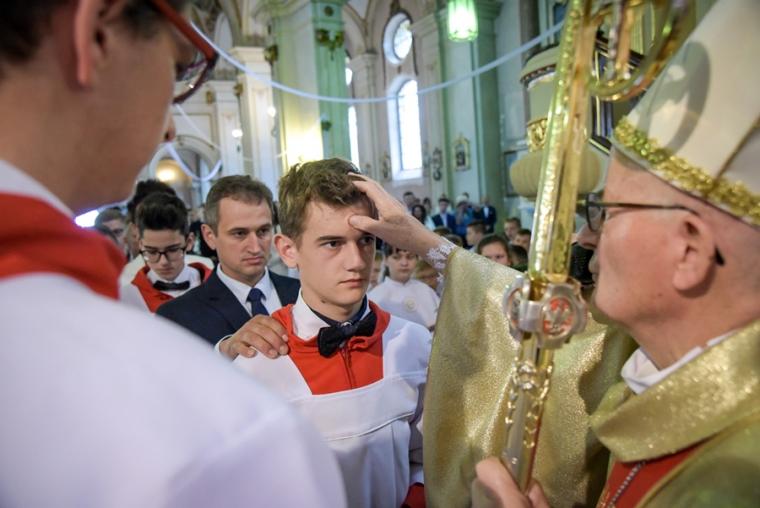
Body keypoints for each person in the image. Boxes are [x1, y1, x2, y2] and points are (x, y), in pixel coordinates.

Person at [0, 1, 344, 506]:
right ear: (95, 35)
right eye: (179, 67)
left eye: (263, 231)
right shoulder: (230, 446)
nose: (170, 131)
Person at [474, 2, 760, 506]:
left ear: (689, 249)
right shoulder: (656, 399)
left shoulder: (735, 477)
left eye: (607, 211)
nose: (586, 236)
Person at [231, 159, 430, 508]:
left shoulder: (412, 343)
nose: (357, 261)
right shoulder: (257, 365)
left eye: (365, 240)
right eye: (332, 243)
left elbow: (428, 457)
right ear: (288, 250)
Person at [157, 175, 300, 346]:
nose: (255, 247)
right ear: (209, 236)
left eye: (263, 231)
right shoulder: (177, 317)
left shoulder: (303, 293)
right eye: (239, 234)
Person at [120, 192, 212, 312]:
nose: (163, 262)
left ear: (189, 242)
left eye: (172, 250)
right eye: (152, 252)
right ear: (140, 244)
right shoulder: (127, 297)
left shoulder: (215, 284)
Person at [369, 244, 440, 331]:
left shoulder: (426, 290)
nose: (404, 263)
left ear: (417, 259)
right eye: (396, 257)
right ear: (386, 260)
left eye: (410, 257)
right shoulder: (375, 296)